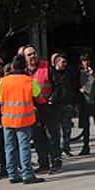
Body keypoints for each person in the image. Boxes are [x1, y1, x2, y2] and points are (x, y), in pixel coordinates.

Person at [0, 54, 44, 184]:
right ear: (25, 66)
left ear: (12, 66)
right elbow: (38, 96)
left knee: (9, 147)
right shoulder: (29, 80)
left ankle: (13, 174)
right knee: (24, 146)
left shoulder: (3, 81)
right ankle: (27, 174)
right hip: (24, 119)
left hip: (7, 120)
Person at [22, 45, 60, 175]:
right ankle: (43, 164)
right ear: (24, 58)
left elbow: (58, 85)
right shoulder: (23, 72)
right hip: (33, 110)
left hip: (48, 108)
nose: (33, 56)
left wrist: (52, 99)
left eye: (34, 53)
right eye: (29, 55)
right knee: (38, 139)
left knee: (52, 137)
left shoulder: (47, 67)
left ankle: (56, 163)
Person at [50, 53, 80, 160]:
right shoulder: (52, 74)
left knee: (66, 128)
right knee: (56, 129)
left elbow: (73, 86)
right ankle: (58, 149)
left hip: (67, 103)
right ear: (57, 63)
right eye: (63, 62)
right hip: (57, 104)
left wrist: (74, 102)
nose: (65, 64)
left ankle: (65, 148)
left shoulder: (68, 73)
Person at [77, 54, 95, 156]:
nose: (86, 63)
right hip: (85, 101)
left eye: (87, 60)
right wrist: (79, 90)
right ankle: (86, 147)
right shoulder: (79, 73)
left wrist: (93, 74)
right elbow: (76, 84)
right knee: (86, 126)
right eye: (84, 61)